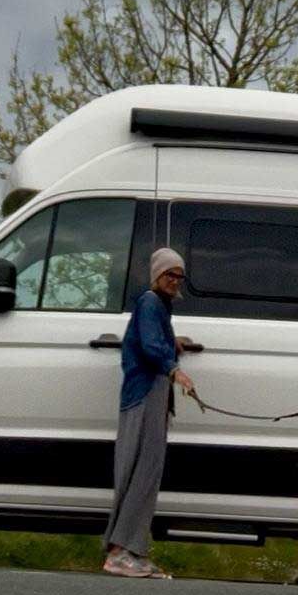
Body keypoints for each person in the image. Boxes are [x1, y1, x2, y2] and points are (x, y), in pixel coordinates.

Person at [102, 247, 195, 577]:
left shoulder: (158, 307)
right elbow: (150, 345)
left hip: (149, 395)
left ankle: (128, 549)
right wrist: (175, 370)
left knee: (142, 472)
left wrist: (173, 341)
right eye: (170, 274)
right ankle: (121, 552)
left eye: (179, 275)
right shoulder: (150, 302)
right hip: (145, 394)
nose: (175, 280)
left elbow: (155, 337)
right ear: (157, 275)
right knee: (142, 472)